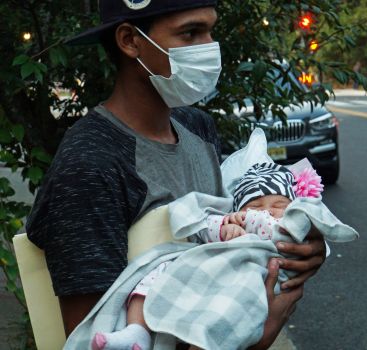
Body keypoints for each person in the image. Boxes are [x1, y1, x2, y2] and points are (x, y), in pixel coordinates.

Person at [25, 1, 326, 349]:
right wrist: (257, 338)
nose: (210, 47)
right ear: (130, 41)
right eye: (190, 32)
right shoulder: (90, 163)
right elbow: (94, 337)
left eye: (210, 30)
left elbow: (230, 235)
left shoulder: (198, 127)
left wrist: (296, 248)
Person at [92, 162, 328, 350]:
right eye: (255, 206)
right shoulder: (234, 222)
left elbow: (314, 239)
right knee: (157, 272)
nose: (267, 211)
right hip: (204, 273)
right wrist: (227, 227)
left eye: (278, 204)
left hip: (243, 281)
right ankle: (137, 330)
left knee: (226, 310)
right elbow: (205, 227)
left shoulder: (290, 228)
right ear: (238, 210)